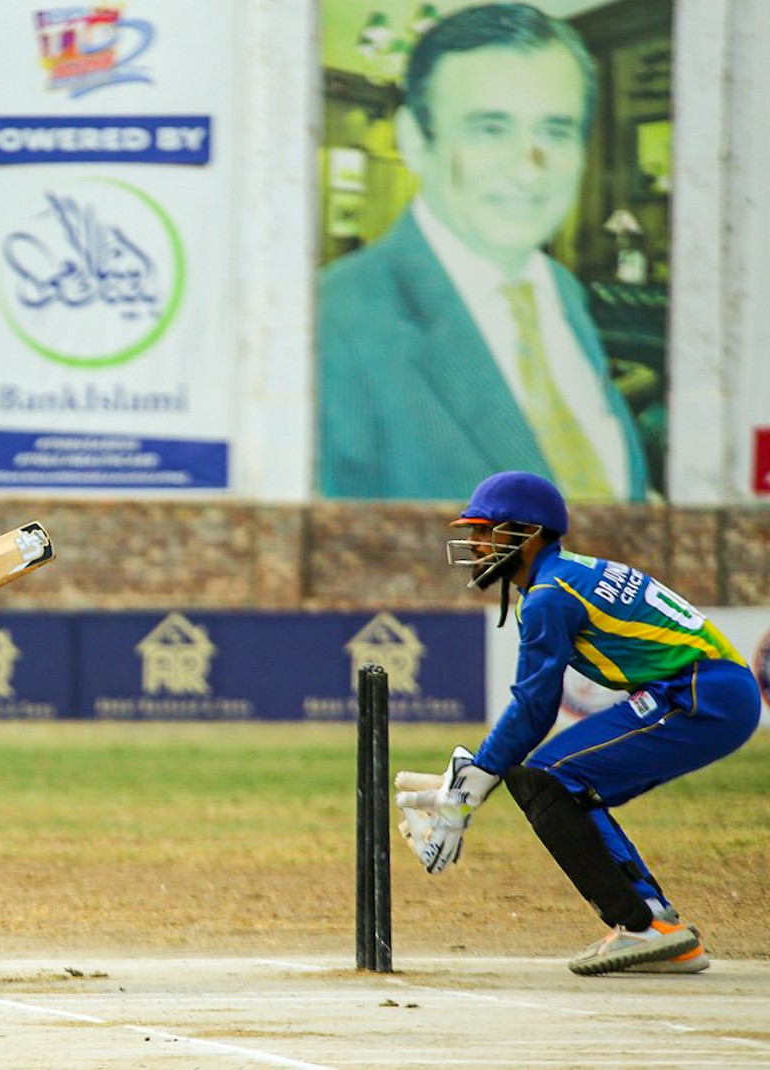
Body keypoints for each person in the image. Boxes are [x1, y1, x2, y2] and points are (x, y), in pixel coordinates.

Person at [396, 470, 760, 975]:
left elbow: (534, 705)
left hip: (701, 692)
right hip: (709, 689)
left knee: (551, 776)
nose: (475, 544)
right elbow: (534, 709)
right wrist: (478, 775)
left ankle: (643, 925)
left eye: (485, 530)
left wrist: (473, 780)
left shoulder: (551, 594)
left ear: (528, 532)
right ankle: (653, 923)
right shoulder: (562, 577)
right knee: (563, 779)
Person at [317, 3, 648, 502]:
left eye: (555, 132)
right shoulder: (330, 324)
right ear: (414, 141)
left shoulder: (560, 289)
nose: (529, 170)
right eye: (491, 129)